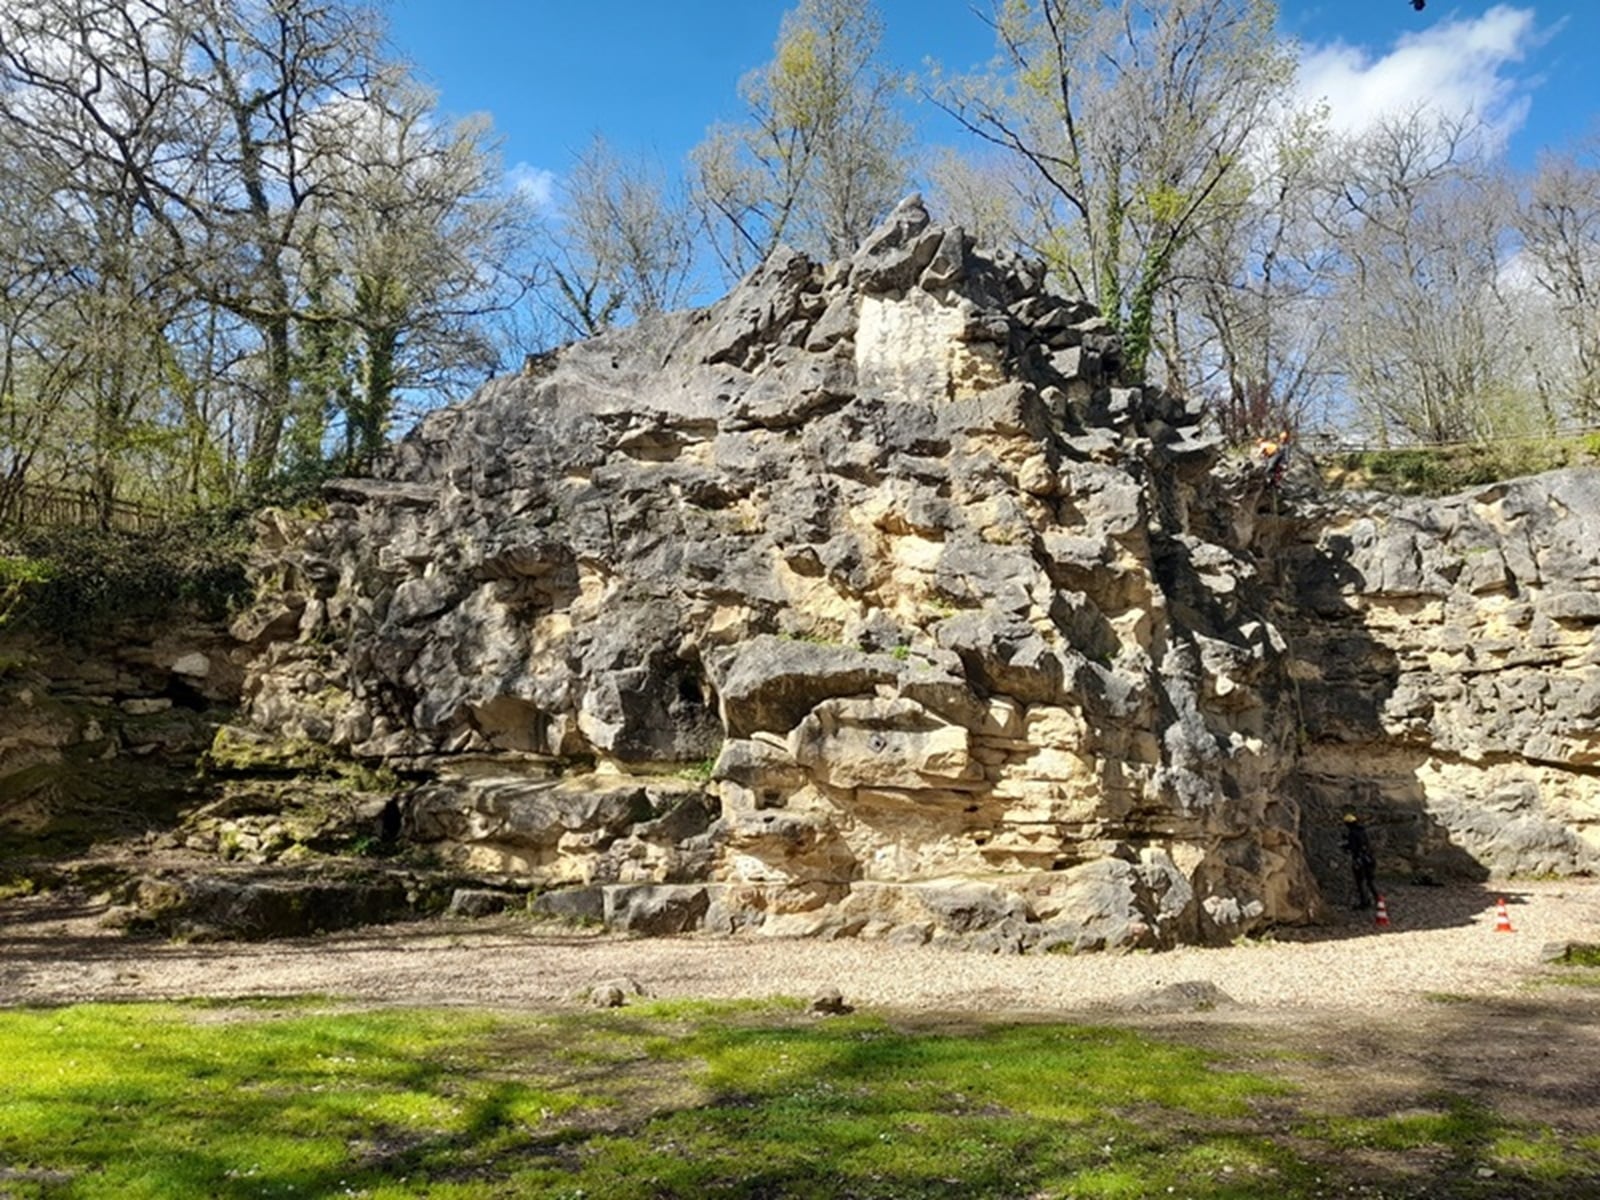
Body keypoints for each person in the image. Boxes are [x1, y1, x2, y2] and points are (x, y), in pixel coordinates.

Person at [1341, 812, 1380, 909]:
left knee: (1360, 882)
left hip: (1360, 861)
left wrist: (1345, 847)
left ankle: (1365, 902)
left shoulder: (1352, 833)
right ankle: (1378, 899)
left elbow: (1354, 847)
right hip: (1370, 859)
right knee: (1370, 881)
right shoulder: (1363, 831)